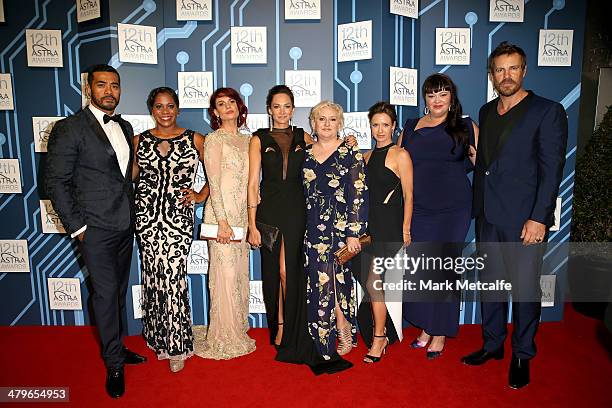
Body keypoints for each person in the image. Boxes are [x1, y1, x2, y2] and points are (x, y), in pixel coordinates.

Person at [461, 42, 567, 389]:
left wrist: (540, 218)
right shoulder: (487, 111)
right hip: (489, 214)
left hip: (525, 219)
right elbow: (491, 164)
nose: (506, 76)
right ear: (491, 75)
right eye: (499, 69)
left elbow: (552, 170)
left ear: (524, 71)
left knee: (523, 291)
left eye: (513, 68)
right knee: (491, 287)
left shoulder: (547, 111)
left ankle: (523, 353)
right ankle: (493, 345)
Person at [45, 64, 146, 398]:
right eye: (102, 85)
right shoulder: (69, 128)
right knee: (104, 295)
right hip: (95, 228)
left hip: (124, 224)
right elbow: (55, 182)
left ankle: (116, 348)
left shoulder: (125, 125)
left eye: (115, 85)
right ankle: (114, 363)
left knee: (117, 292)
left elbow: (122, 176)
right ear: (89, 89)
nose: (109, 91)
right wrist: (79, 228)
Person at [247, 86, 352, 374]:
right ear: (269, 109)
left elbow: (327, 148)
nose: (282, 111)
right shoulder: (258, 139)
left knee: (289, 272)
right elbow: (252, 183)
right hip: (268, 212)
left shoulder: (302, 137)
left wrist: (349, 143)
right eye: (277, 106)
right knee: (274, 272)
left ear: (293, 110)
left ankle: (293, 329)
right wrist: (250, 221)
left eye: (287, 106)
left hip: (297, 211)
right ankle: (279, 325)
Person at [398, 73, 479, 359]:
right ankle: (425, 327)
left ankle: (440, 332)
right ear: (425, 99)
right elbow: (396, 163)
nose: (437, 100)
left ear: (452, 98)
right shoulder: (411, 126)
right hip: (419, 208)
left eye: (443, 94)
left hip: (453, 208)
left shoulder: (466, 126)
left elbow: (482, 166)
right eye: (431, 95)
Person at [132, 87, 209, 373]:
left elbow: (218, 172)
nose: (165, 111)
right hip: (147, 218)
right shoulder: (138, 141)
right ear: (151, 110)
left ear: (177, 108)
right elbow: (129, 175)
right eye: (159, 106)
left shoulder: (194, 139)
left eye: (170, 106)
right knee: (153, 274)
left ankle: (177, 345)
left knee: (174, 276)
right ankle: (156, 337)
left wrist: (200, 195)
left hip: (178, 219)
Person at [302, 100, 368, 361]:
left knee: (336, 280)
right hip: (311, 228)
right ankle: (321, 337)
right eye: (321, 119)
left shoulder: (351, 152)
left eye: (332, 119)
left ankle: (343, 329)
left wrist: (354, 232)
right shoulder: (305, 154)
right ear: (314, 123)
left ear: (340, 124)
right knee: (318, 283)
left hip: (341, 229)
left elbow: (358, 192)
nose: (327, 124)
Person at [195, 87, 256, 359]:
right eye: (221, 103)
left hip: (243, 216)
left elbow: (252, 181)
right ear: (215, 112)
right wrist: (221, 221)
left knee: (240, 276)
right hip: (223, 218)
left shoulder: (249, 140)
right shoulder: (213, 139)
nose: (228, 106)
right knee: (225, 277)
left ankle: (237, 328)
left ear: (239, 107)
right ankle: (223, 335)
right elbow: (215, 184)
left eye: (232, 101)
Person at [355, 101, 413, 363]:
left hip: (390, 228)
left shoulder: (400, 154)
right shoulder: (366, 157)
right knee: (371, 284)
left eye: (385, 125)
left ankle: (380, 336)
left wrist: (406, 229)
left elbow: (409, 196)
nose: (380, 130)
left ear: (393, 126)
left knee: (372, 283)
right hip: (370, 228)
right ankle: (379, 331)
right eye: (375, 124)